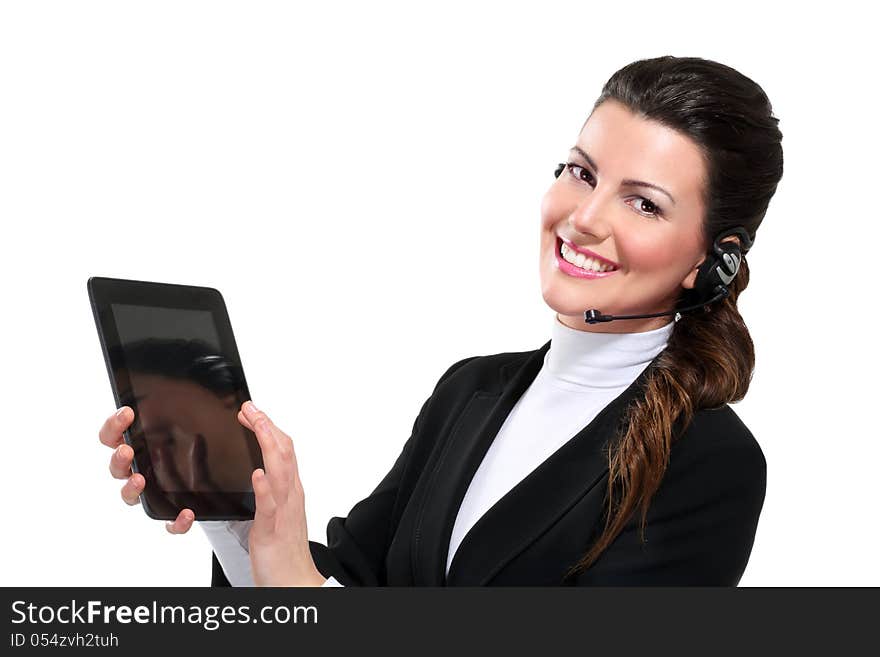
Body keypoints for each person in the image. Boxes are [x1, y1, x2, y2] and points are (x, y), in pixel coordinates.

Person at [97, 55, 783, 586]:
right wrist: (240, 514)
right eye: (581, 172)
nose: (584, 217)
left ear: (710, 261)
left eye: (644, 204)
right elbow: (355, 579)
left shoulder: (708, 463)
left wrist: (305, 589)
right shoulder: (470, 391)